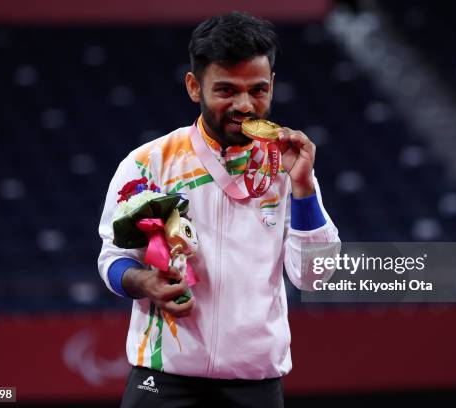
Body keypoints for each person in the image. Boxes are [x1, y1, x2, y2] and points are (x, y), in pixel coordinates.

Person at [98, 11, 340, 407]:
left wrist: (303, 188)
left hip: (255, 383)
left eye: (258, 90)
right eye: (226, 90)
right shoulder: (148, 165)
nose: (244, 105)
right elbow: (112, 259)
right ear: (194, 86)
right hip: (162, 378)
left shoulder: (287, 168)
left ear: (273, 85)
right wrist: (144, 283)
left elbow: (315, 277)